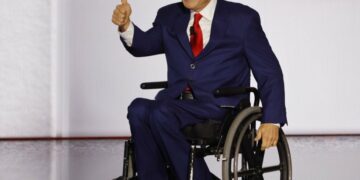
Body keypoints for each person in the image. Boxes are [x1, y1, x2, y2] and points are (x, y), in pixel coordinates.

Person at [112, 0, 287, 179]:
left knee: (160, 112)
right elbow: (145, 44)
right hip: (177, 103)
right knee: (138, 108)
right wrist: (126, 25)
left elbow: (269, 72)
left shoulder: (242, 19)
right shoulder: (169, 15)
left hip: (220, 107)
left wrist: (271, 120)